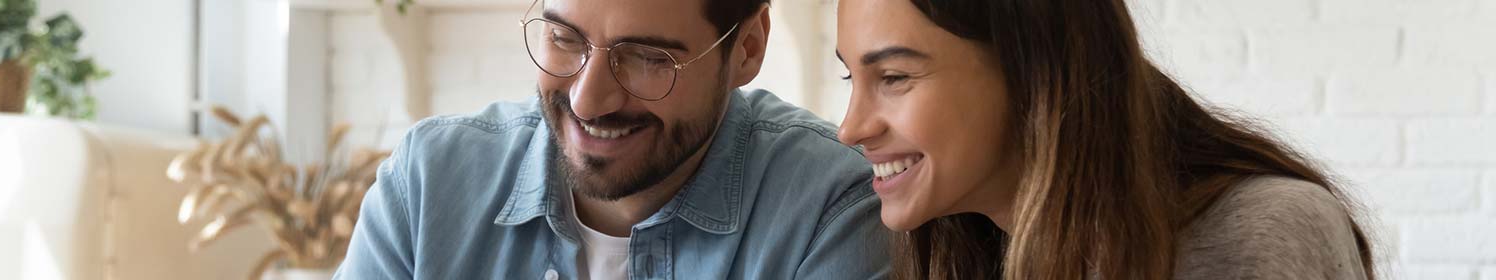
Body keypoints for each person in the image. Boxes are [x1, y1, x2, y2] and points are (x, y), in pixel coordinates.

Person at [332, 0, 889, 278]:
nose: (586, 100)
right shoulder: (427, 184)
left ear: (746, 48)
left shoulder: (832, 209)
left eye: (648, 57)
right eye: (562, 38)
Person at [833, 0, 1375, 279]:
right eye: (850, 79)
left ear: (1034, 71)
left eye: (895, 77)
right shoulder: (953, 249)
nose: (851, 128)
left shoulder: (1259, 233)